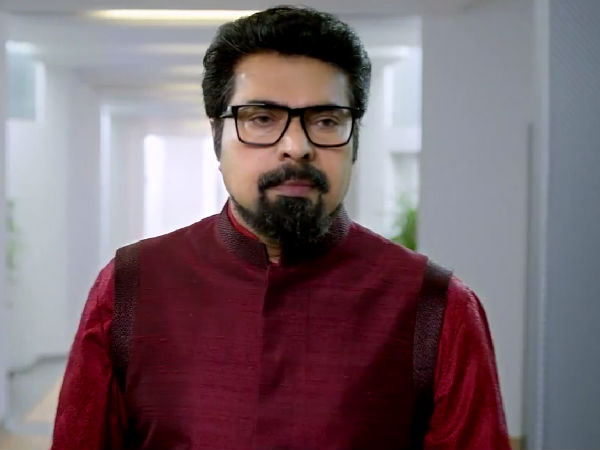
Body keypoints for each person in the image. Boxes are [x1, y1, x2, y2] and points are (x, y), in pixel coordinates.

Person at [52, 6, 511, 450]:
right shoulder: (132, 287)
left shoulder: (435, 307)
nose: (296, 146)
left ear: (354, 139)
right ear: (217, 136)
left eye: (326, 120)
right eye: (262, 118)